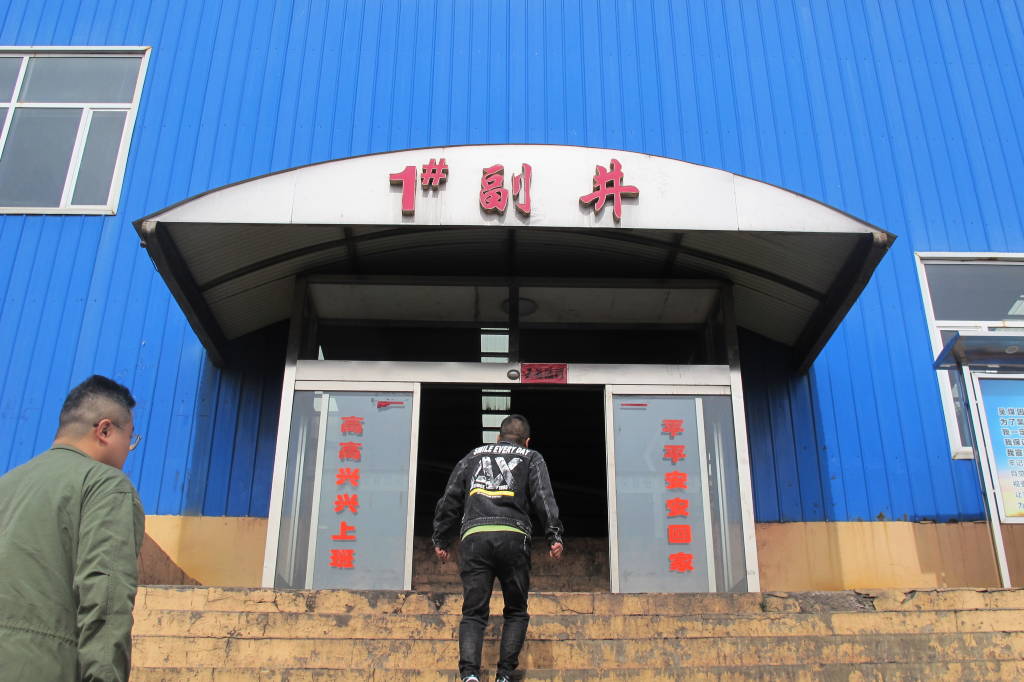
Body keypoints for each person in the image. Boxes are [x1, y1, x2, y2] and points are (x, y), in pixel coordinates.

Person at [0, 375, 145, 682]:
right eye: (130, 438)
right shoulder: (105, 485)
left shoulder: (7, 484)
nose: (128, 449)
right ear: (105, 430)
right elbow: (105, 595)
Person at [432, 414, 564, 682]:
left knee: (473, 612)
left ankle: (470, 675)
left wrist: (441, 539)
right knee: (516, 610)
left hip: (475, 537)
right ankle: (504, 675)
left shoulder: (473, 455)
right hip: (513, 538)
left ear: (497, 437)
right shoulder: (532, 457)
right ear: (527, 441)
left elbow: (450, 499)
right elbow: (543, 497)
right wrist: (554, 536)